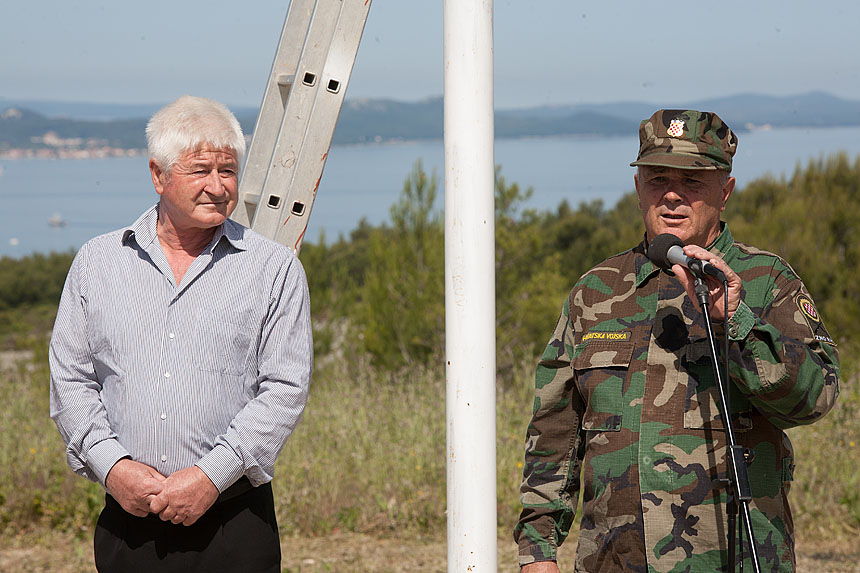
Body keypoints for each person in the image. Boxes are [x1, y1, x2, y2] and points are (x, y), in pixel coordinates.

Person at [514, 110, 840, 572]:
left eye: (692, 181)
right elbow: (555, 428)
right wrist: (537, 551)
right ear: (637, 187)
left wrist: (738, 322)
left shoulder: (766, 281)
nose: (671, 194)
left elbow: (814, 398)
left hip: (732, 557)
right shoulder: (597, 291)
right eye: (657, 178)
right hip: (613, 561)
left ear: (724, 192)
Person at [49, 95, 313, 572]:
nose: (218, 186)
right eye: (200, 171)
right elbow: (70, 379)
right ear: (158, 175)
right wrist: (113, 468)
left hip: (234, 520)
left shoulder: (275, 269)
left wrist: (212, 477)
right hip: (128, 519)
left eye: (227, 171)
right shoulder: (97, 263)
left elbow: (285, 389)